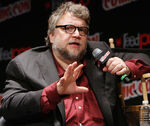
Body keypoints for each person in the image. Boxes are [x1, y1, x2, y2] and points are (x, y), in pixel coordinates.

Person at [0, 1, 150, 126]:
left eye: (82, 30)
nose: (77, 34)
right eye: (68, 28)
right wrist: (55, 92)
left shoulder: (98, 53)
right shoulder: (25, 64)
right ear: (51, 36)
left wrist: (127, 67)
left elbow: (145, 58)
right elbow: (9, 107)